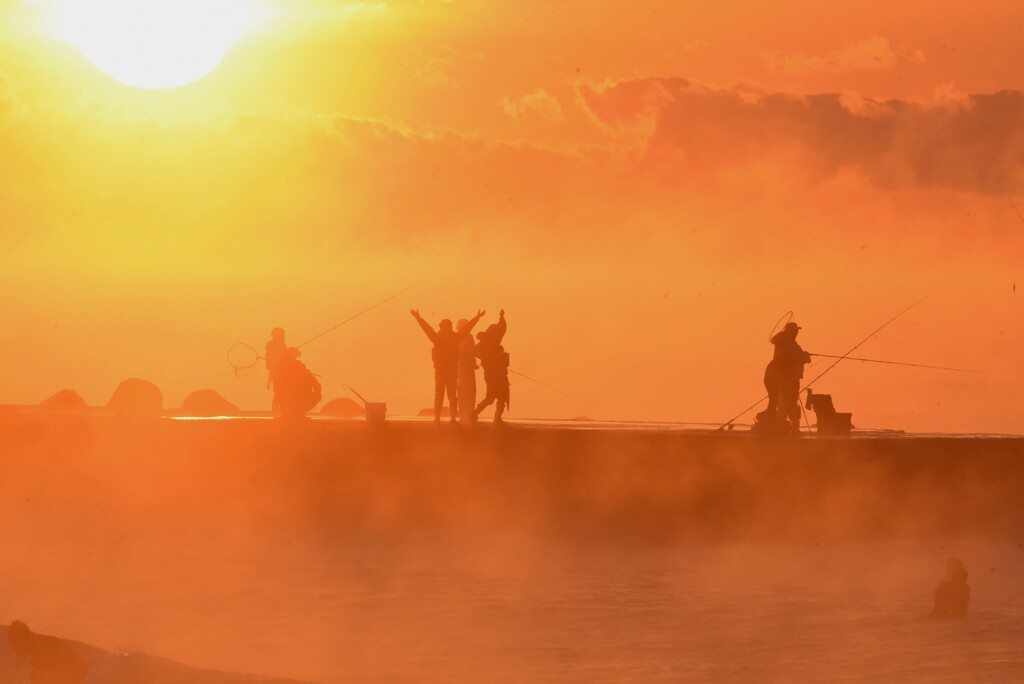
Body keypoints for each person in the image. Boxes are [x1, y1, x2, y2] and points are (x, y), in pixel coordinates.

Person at [411, 309, 485, 423]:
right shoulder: (455, 338)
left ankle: (437, 417)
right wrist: (477, 317)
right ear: (450, 327)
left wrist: (418, 317)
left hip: (440, 372)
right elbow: (467, 329)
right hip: (451, 372)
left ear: (441, 327)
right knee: (451, 396)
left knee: (439, 395)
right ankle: (453, 418)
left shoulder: (437, 338)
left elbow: (427, 329)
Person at [761, 321, 810, 433]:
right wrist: (806, 357)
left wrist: (803, 356)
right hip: (787, 379)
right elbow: (800, 357)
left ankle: (773, 428)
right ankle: (792, 429)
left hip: (772, 376)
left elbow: (795, 356)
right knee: (790, 402)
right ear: (791, 332)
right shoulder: (791, 344)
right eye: (796, 330)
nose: (797, 332)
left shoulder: (781, 341)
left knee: (774, 402)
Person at [7, 620, 88, 684]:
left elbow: (47, 675)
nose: (14, 646)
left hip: (76, 671)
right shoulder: (33, 644)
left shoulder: (41, 648)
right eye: (12, 643)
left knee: (37, 676)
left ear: (23, 638)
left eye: (14, 642)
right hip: (73, 670)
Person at [474, 310, 510, 423]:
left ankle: (495, 416)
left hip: (496, 374)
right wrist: (501, 317)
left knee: (499, 397)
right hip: (494, 374)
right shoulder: (491, 341)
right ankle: (477, 413)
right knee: (494, 397)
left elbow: (502, 328)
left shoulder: (487, 342)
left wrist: (501, 317)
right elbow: (502, 328)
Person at [273, 348, 322, 419]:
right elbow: (317, 385)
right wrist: (315, 395)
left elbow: (278, 389)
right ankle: (297, 412)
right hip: (301, 402)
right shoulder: (305, 372)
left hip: (289, 403)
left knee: (279, 392)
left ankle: (289, 412)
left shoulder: (283, 373)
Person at [457, 319, 478, 423]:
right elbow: (471, 352)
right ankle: (468, 414)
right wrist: (473, 364)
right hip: (467, 368)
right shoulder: (469, 338)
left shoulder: (456, 337)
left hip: (460, 368)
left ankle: (463, 413)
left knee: (461, 391)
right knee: (469, 391)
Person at [265, 327, 289, 411]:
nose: (284, 336)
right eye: (282, 334)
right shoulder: (274, 347)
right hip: (278, 373)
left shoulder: (274, 347)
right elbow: (281, 360)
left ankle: (279, 412)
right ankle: (277, 412)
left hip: (281, 373)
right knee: (279, 393)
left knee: (281, 393)